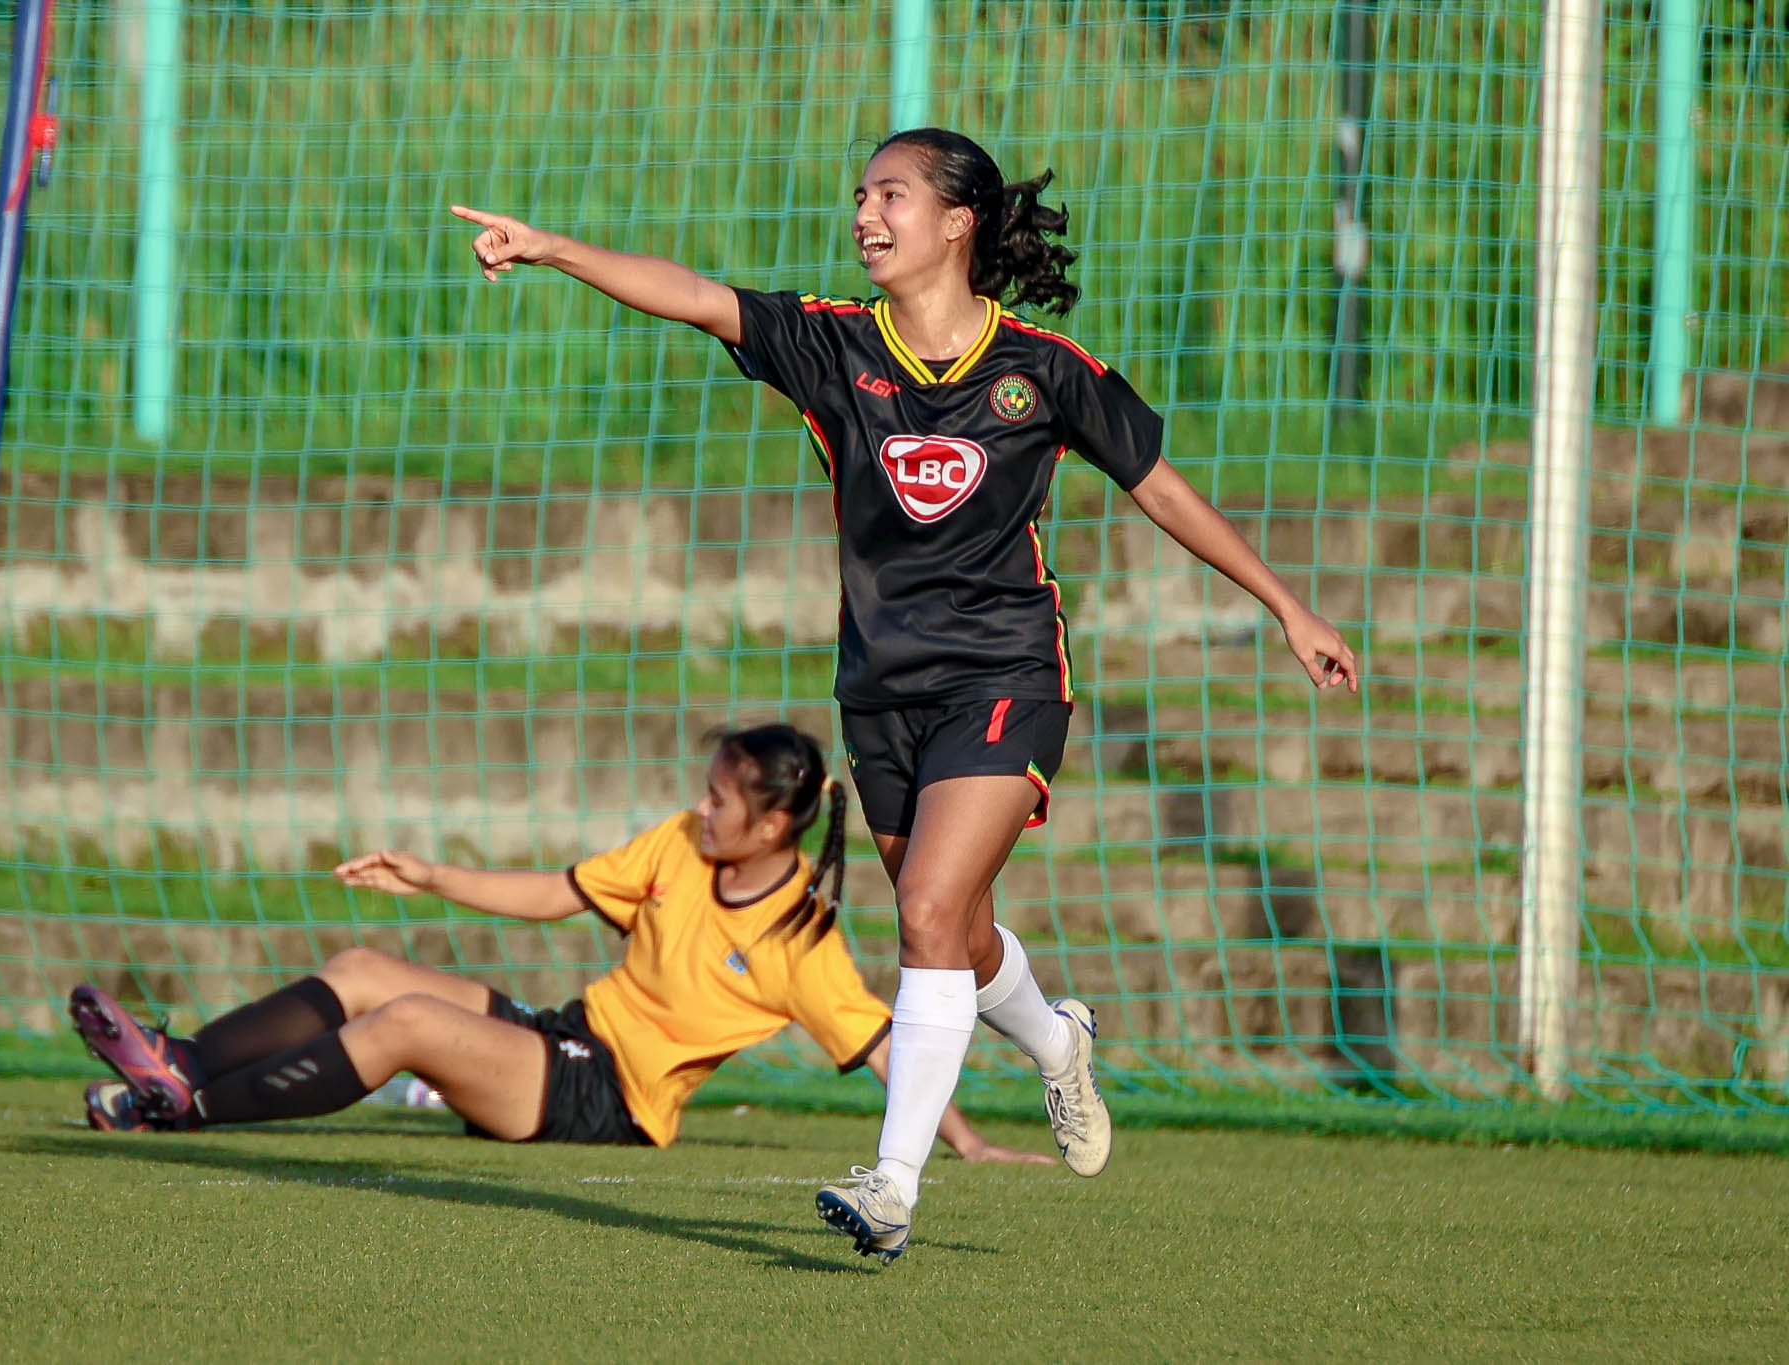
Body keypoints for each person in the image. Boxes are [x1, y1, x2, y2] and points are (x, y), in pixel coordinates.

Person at [450, 127, 1359, 1262]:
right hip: (878, 690)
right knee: (956, 928)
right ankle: (1052, 1036)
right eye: (859, 196)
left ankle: (891, 1187)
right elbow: (691, 297)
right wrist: (547, 249)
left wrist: (1287, 606)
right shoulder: (833, 347)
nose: (865, 215)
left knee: (924, 910)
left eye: (890, 194)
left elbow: (1164, 495)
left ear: (955, 221)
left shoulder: (1045, 368)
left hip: (1006, 675)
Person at [69, 723, 1047, 1171]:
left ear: (772, 828)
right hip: (561, 1038)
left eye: (720, 800)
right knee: (367, 970)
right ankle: (180, 1061)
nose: (700, 808)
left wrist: (965, 1143)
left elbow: (885, 1045)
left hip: (604, 1101)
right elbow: (557, 891)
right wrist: (431, 876)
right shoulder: (675, 845)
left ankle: (184, 1110)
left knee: (407, 1022)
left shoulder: (800, 936)